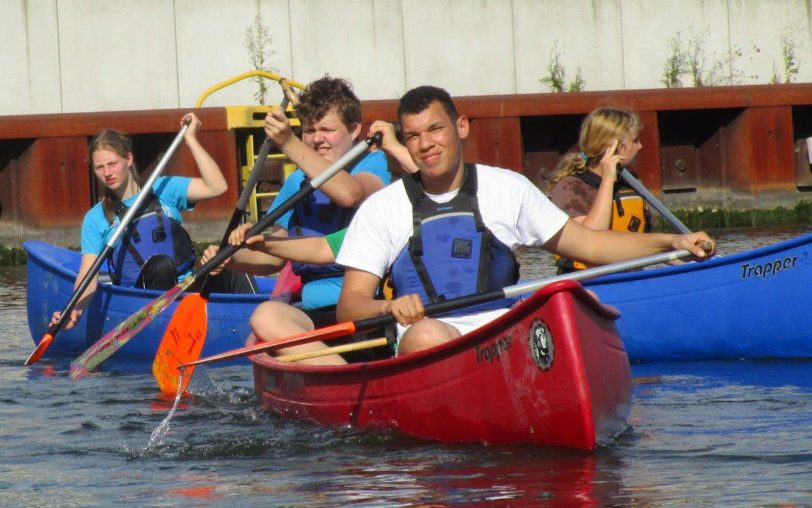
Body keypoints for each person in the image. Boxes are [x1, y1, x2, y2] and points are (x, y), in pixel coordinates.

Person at [335, 86, 715, 357]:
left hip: (502, 339)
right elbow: (350, 305)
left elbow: (592, 245)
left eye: (435, 129)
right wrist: (389, 308)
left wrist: (672, 243)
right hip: (429, 339)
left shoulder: (507, 188)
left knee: (583, 302)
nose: (425, 145)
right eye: (413, 136)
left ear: (461, 127)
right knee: (426, 334)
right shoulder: (382, 208)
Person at [204, 76, 395, 364]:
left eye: (327, 130)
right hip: (312, 315)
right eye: (309, 130)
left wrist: (289, 142)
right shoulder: (297, 182)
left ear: (355, 130)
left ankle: (340, 380)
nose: (317, 139)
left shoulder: (375, 163)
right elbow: (275, 256)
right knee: (265, 316)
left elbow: (349, 193)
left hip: (366, 309)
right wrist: (231, 258)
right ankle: (338, 378)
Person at [52, 113, 255, 330]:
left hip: (188, 287)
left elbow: (217, 186)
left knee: (228, 260)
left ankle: (258, 320)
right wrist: (75, 310)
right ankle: (162, 331)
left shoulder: (163, 188)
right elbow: (88, 274)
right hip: (141, 303)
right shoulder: (96, 218)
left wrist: (192, 139)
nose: (107, 173)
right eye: (99, 168)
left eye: (112, 164)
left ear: (129, 159)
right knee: (160, 265)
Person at [547, 107, 653, 273]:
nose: (640, 146)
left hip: (630, 279)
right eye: (635, 140)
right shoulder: (571, 187)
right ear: (614, 146)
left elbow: (649, 243)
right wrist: (608, 180)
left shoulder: (630, 182)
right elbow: (589, 242)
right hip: (587, 282)